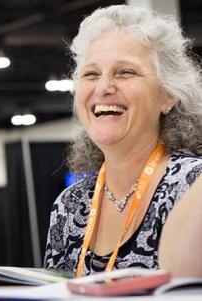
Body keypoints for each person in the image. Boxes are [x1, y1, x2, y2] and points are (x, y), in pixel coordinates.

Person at [44, 5, 202, 276]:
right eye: (91, 74)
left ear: (169, 95)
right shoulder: (69, 206)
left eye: (125, 72)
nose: (103, 87)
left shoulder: (192, 186)